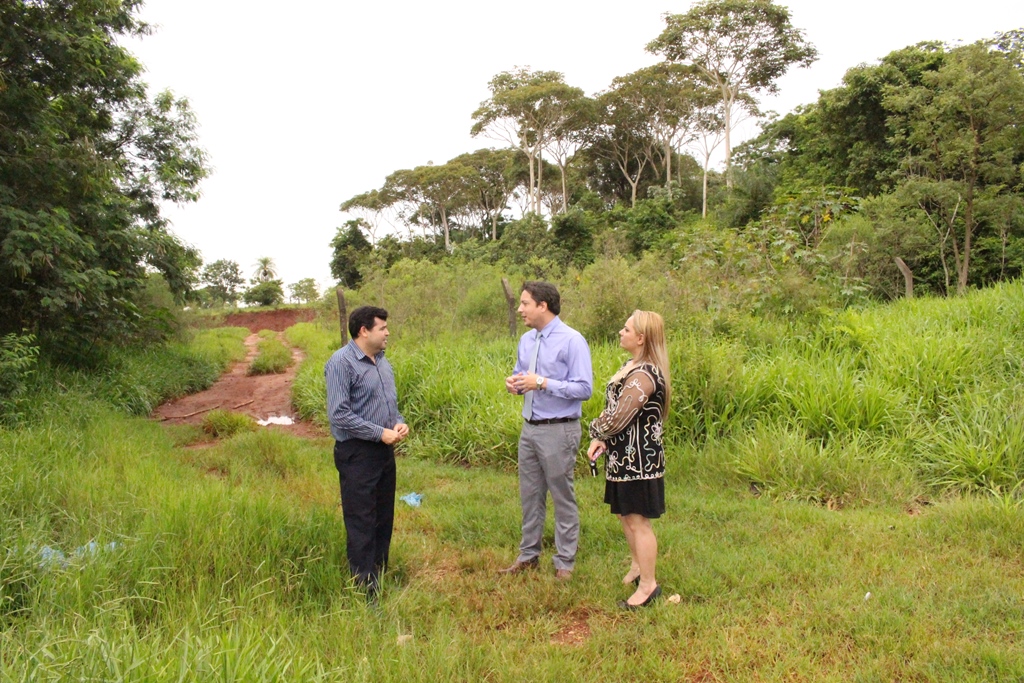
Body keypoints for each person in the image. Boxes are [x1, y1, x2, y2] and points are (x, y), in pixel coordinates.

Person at [501, 281, 593, 580]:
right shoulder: (527, 340)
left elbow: (584, 388)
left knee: (562, 496)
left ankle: (565, 562)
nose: (520, 309)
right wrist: (515, 384)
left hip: (559, 430)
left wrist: (542, 383)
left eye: (525, 303)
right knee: (530, 495)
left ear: (543, 305)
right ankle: (528, 556)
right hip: (530, 429)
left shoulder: (572, 341)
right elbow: (521, 374)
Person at [587, 310, 670, 609]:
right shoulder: (630, 367)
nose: (621, 332)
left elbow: (619, 416)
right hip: (623, 458)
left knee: (638, 521)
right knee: (625, 516)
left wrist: (596, 431)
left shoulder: (644, 375)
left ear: (641, 338)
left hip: (639, 462)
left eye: (626, 329)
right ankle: (638, 566)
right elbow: (614, 412)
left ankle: (648, 586)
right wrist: (602, 439)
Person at [325, 305, 409, 597]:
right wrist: (379, 432)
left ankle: (379, 572)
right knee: (361, 519)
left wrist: (397, 422)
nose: (387, 333)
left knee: (383, 516)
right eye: (382, 328)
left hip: (383, 450)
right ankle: (364, 586)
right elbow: (339, 414)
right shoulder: (341, 363)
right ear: (364, 331)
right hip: (357, 453)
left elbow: (388, 403)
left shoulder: (382, 361)